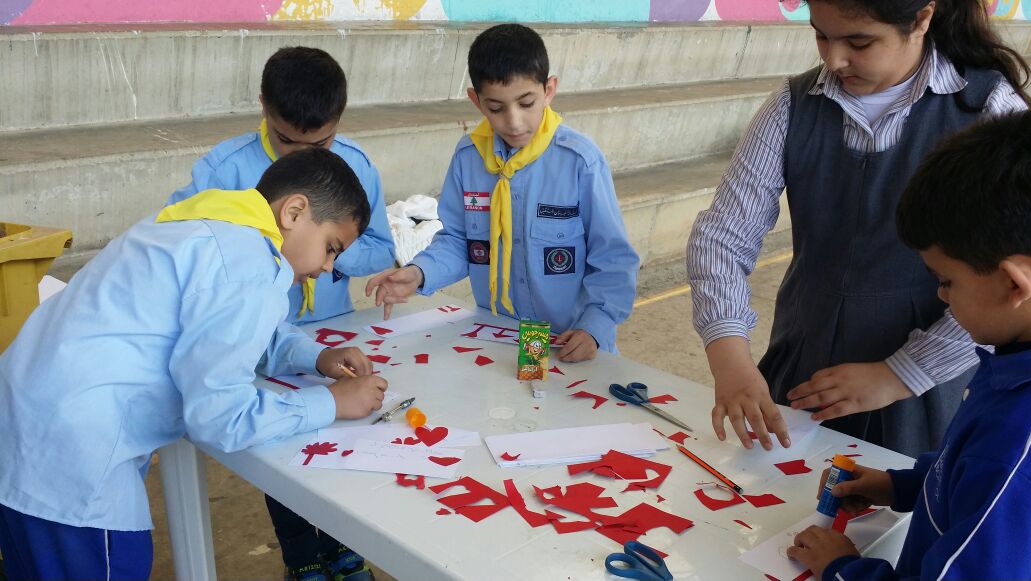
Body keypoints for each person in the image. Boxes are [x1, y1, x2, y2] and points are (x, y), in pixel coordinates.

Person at [0, 148, 389, 581]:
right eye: (331, 248)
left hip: (20, 432)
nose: (326, 268)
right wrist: (331, 403)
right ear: (294, 212)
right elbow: (220, 418)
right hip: (74, 466)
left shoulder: (202, 223)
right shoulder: (249, 264)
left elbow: (220, 326)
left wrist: (315, 355)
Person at [686, 0, 1030, 456]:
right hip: (803, 363)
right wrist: (729, 357)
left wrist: (901, 373)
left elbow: (1004, 290)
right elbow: (721, 239)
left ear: (921, 18)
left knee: (899, 495)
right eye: (821, 35)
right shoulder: (793, 104)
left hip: (923, 387)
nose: (834, 60)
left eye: (859, 42)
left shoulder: (987, 108)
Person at [168, 46, 393, 580]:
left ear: (339, 120)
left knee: (337, 438)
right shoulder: (224, 169)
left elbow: (382, 249)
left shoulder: (356, 166)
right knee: (280, 445)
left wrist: (328, 249)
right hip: (247, 344)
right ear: (264, 107)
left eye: (322, 144)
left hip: (324, 334)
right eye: (289, 141)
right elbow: (185, 240)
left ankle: (342, 547)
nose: (305, 158)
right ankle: (301, 556)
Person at [787, 110, 1031, 581]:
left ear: (1012, 283)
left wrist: (843, 568)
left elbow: (993, 482)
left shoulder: (1016, 444)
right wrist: (901, 485)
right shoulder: (1013, 356)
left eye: (947, 281)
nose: (941, 296)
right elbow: (968, 478)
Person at [365, 23, 639, 364]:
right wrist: (419, 272)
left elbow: (613, 257)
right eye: (496, 108)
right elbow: (459, 241)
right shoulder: (469, 159)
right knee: (512, 399)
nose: (514, 121)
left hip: (570, 341)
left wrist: (595, 327)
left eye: (527, 103)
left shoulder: (580, 161)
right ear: (476, 101)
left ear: (549, 90)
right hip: (503, 337)